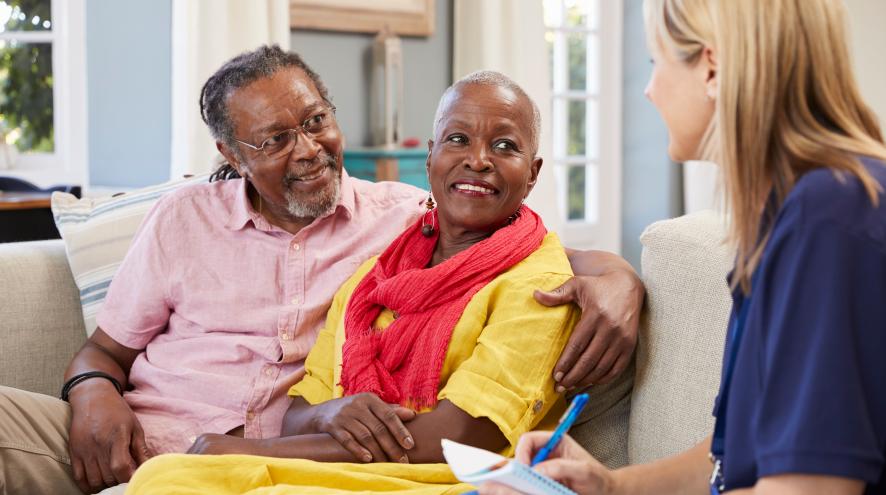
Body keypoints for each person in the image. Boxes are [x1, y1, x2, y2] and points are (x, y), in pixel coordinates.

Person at [0, 46, 643, 495]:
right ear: (230, 154)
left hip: (275, 459)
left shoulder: (405, 221)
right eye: (275, 140)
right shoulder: (185, 219)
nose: (308, 151)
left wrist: (620, 279)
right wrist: (90, 394)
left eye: (316, 122)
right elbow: (104, 351)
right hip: (140, 431)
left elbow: (517, 247)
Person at [479, 0, 886, 494]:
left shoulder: (828, 217)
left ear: (711, 67)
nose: (649, 91)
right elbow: (729, 455)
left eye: (657, 62)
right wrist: (610, 487)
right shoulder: (786, 219)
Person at [124, 69, 595, 494]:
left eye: (505, 146)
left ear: (533, 174)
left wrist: (248, 451)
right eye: (457, 139)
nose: (478, 160)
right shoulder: (376, 276)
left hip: (441, 480)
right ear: (430, 158)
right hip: (352, 474)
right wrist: (327, 414)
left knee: (175, 478)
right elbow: (297, 413)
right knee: (170, 477)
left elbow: (457, 438)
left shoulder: (540, 282)